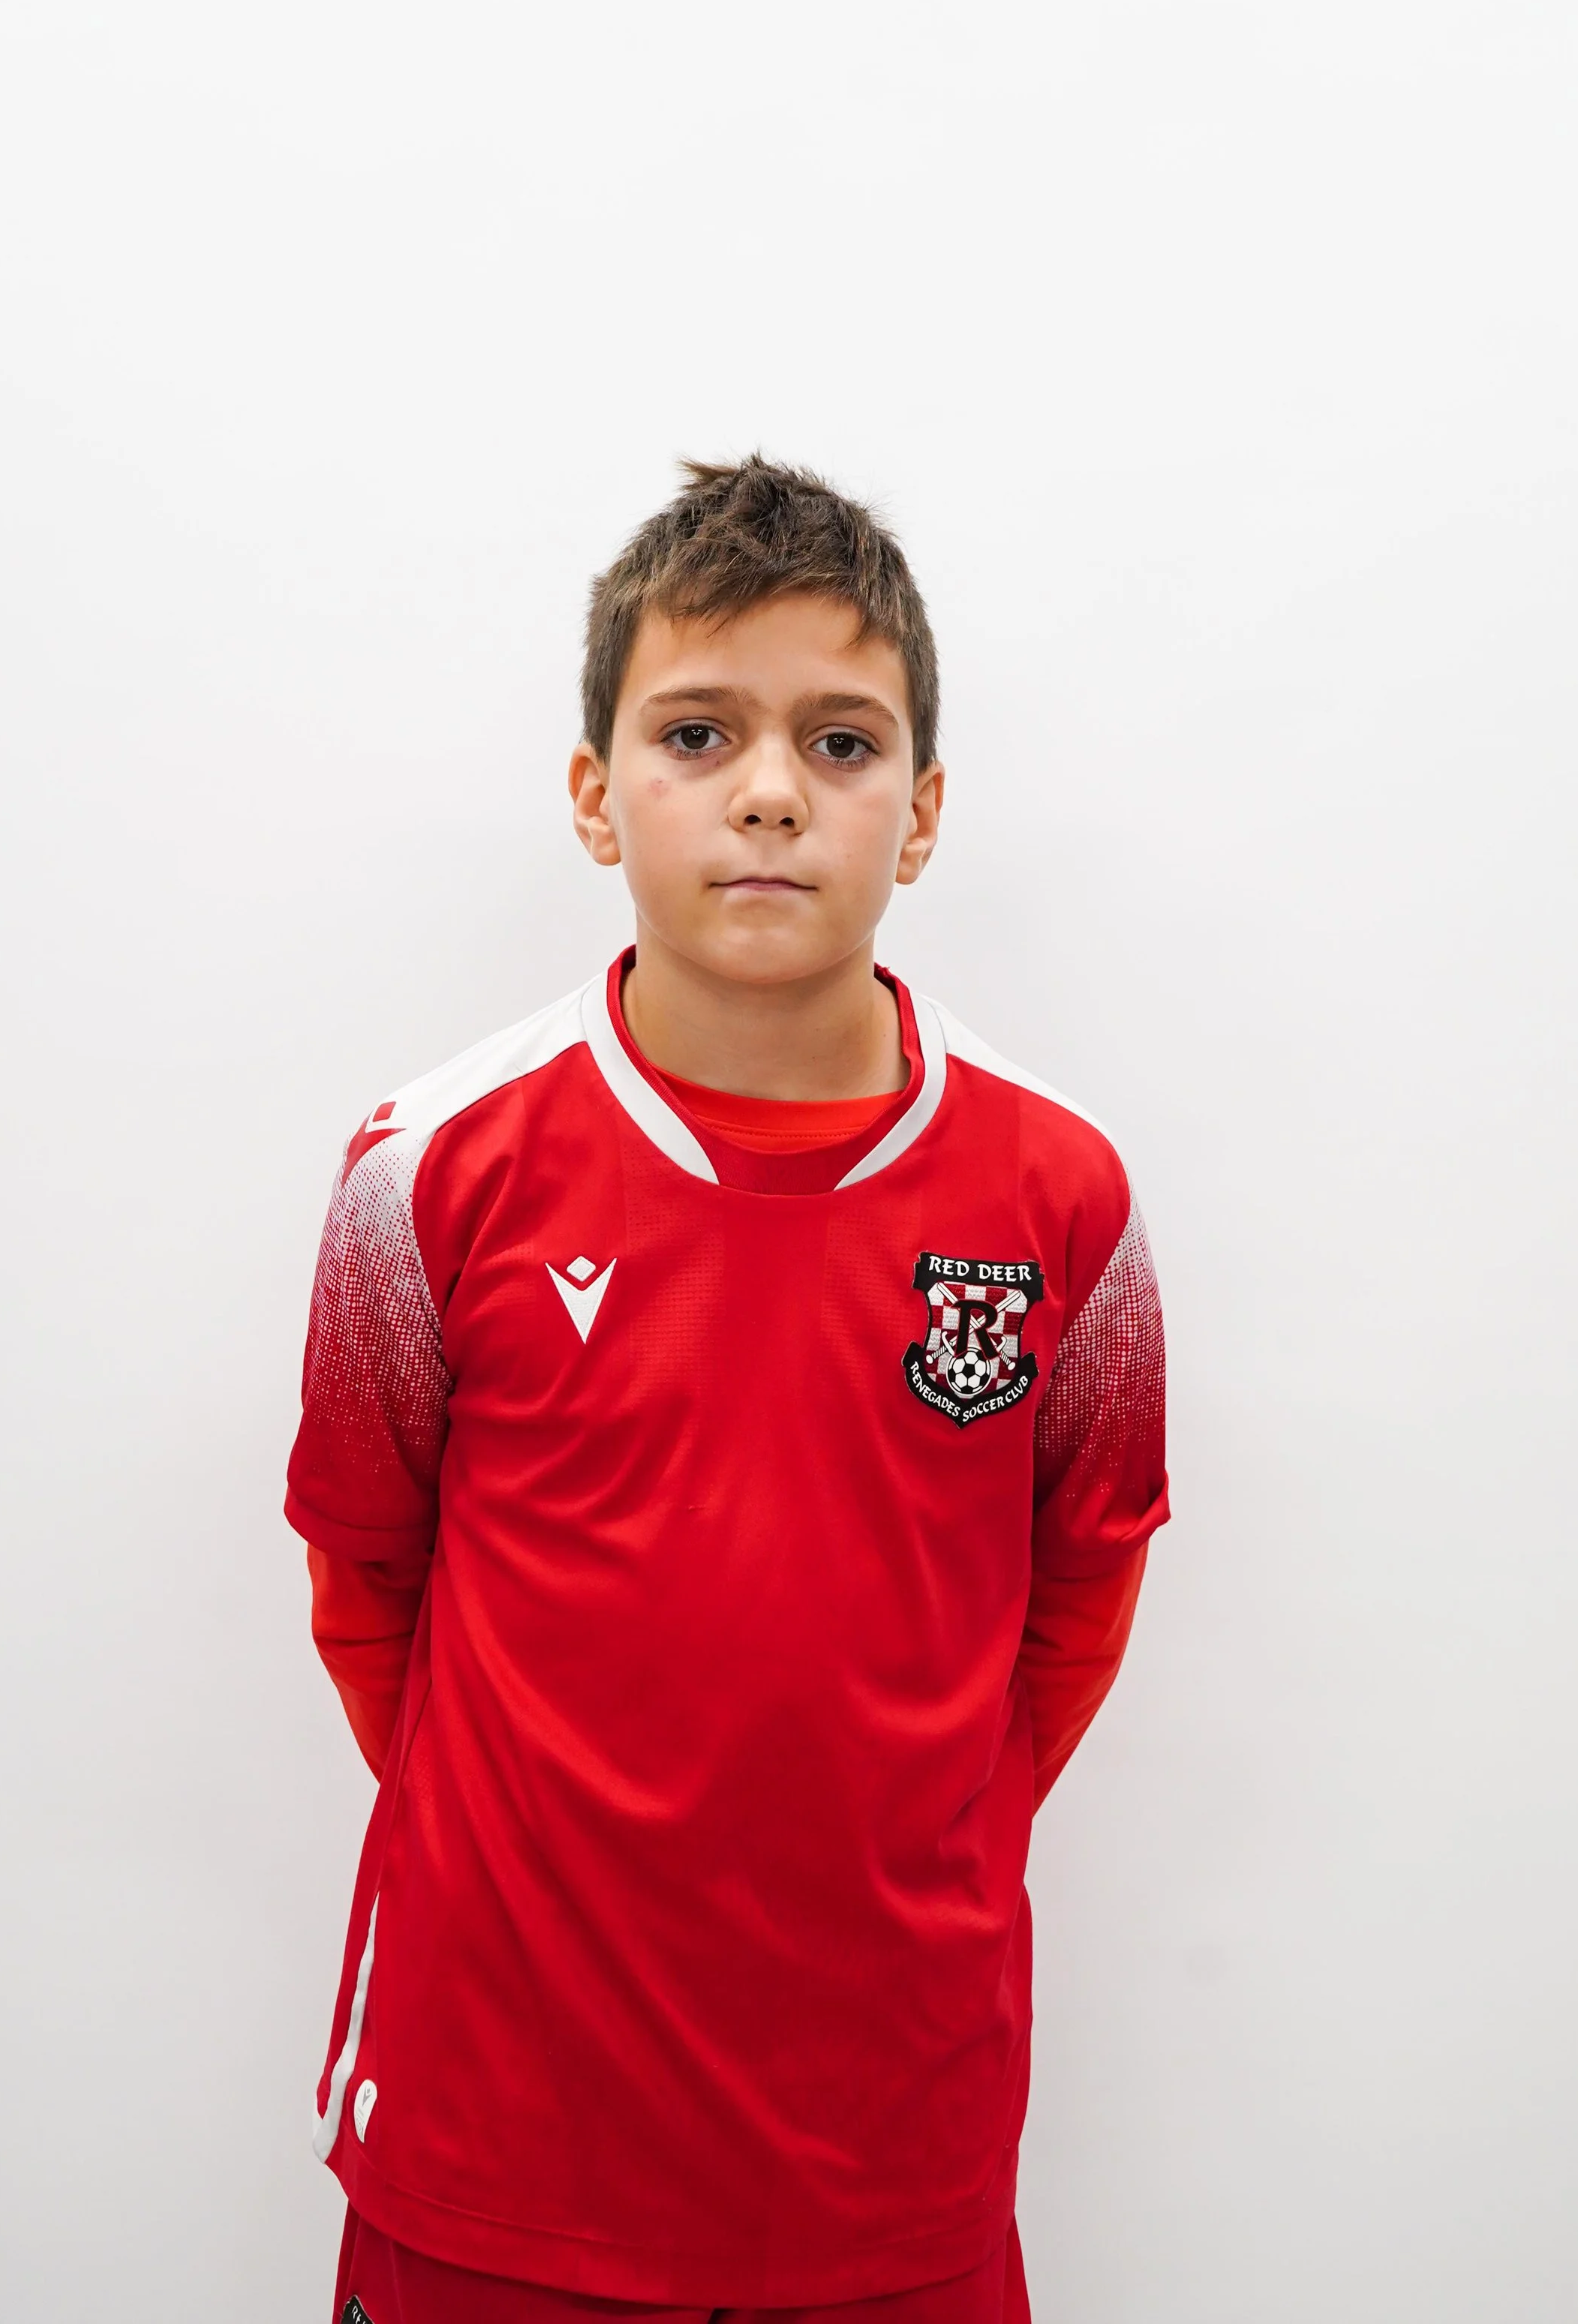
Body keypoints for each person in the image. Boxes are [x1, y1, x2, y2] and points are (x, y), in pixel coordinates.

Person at [286, 457, 1169, 2324]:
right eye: (701, 731)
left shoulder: (1060, 1193)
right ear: (598, 795)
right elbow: (370, 1583)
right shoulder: (427, 1171)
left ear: (919, 816)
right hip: (492, 2148)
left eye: (840, 744)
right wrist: (575, 1848)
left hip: (890, 2163)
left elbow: (1076, 1596)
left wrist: (882, 1836)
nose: (771, 789)